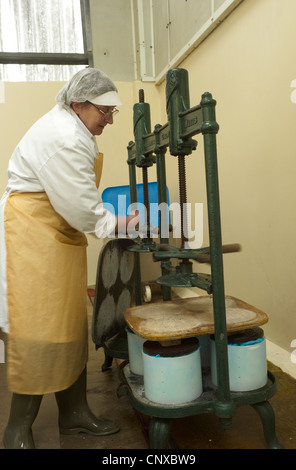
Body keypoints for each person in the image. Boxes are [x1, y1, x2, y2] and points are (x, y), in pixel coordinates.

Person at [0, 67, 137, 449]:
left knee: (70, 325)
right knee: (39, 332)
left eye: (113, 112)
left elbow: (77, 201)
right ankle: (17, 430)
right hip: (31, 237)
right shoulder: (63, 138)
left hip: (54, 237)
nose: (109, 120)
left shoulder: (75, 129)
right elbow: (82, 211)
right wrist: (121, 223)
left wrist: (112, 220)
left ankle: (74, 413)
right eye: (104, 112)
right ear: (79, 103)